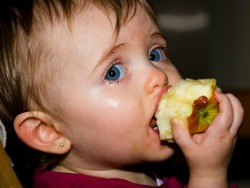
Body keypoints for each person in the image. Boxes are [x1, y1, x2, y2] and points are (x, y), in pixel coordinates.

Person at [0, 0, 244, 187]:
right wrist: (209, 173)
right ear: (48, 131)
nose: (158, 76)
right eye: (113, 73)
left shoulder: (164, 167)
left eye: (155, 54)